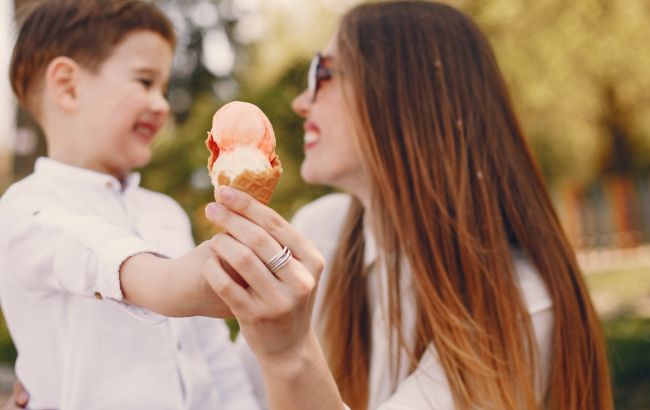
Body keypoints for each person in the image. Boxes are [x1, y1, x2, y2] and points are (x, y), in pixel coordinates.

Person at [199, 1, 614, 409]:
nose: (301, 102)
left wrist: (288, 355)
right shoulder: (318, 231)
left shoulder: (518, 306)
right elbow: (235, 395)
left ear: (406, 94)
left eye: (322, 73)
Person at [0, 0, 259, 408]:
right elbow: (81, 247)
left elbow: (212, 357)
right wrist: (163, 281)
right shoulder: (26, 207)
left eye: (164, 87)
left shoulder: (165, 213)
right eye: (144, 81)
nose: (161, 104)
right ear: (68, 85)